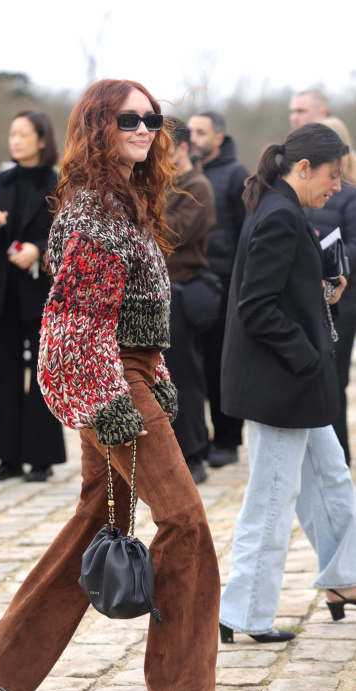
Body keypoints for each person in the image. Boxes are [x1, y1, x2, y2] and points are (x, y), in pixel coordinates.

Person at [0, 78, 228, 691]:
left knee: (95, 517)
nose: (145, 129)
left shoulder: (126, 201)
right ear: (98, 128)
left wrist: (155, 371)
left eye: (152, 119)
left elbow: (127, 315)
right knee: (185, 522)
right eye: (129, 119)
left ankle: (9, 657)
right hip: (106, 380)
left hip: (123, 372)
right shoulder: (96, 212)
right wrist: (110, 401)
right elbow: (74, 324)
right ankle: (181, 690)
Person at [219, 123, 356, 643]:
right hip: (280, 385)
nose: (337, 186)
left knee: (331, 478)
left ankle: (346, 579)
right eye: (332, 175)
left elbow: (281, 293)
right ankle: (244, 613)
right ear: (303, 168)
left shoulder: (282, 208)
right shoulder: (278, 215)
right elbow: (256, 307)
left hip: (294, 382)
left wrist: (325, 291)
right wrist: (305, 357)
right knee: (273, 498)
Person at [0, 111, 66, 484]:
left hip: (40, 292)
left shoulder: (57, 182)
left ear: (42, 140)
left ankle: (41, 459)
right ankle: (8, 458)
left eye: (22, 134)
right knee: (6, 375)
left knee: (42, 375)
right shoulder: (2, 180)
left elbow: (64, 233)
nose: (14, 140)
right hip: (5, 294)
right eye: (11, 133)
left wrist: (39, 249)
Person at [188, 111, 248, 467]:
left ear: (219, 137)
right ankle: (201, 439)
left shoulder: (235, 174)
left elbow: (245, 231)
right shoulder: (187, 175)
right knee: (193, 367)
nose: (194, 137)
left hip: (224, 282)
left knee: (220, 364)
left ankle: (227, 440)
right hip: (192, 280)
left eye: (201, 131)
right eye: (191, 131)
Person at [164, 118, 216, 484]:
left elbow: (172, 235)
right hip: (152, 295)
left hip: (181, 294)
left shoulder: (197, 186)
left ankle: (194, 453)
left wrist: (144, 216)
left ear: (182, 148)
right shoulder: (152, 184)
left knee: (185, 377)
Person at [303, 118, 356, 464]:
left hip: (343, 297)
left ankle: (338, 456)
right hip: (308, 295)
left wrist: (325, 258)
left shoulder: (349, 196)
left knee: (334, 378)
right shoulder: (298, 195)